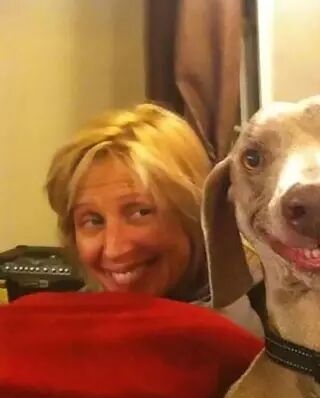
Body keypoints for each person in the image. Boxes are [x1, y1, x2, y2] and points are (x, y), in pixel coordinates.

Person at [45, 103, 263, 336]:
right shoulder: (65, 330)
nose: (114, 250)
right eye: (93, 221)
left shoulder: (269, 328)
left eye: (140, 213)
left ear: (195, 212)